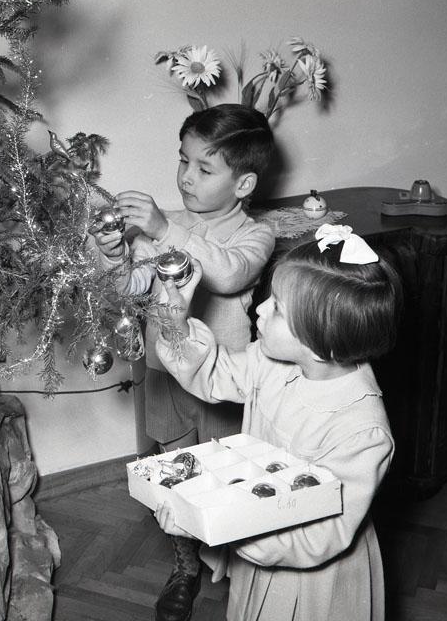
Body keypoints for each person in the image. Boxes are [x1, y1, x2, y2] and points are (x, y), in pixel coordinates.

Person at [153, 224, 403, 621]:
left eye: (278, 309)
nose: (260, 309)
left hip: (313, 577)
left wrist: (214, 524)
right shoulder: (273, 361)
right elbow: (214, 373)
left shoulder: (362, 431)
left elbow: (317, 536)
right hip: (259, 545)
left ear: (322, 343)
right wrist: (177, 324)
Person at [90, 103, 276, 621]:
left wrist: (163, 229)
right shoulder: (165, 228)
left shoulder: (255, 234)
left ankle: (244, 561)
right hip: (165, 378)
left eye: (204, 168)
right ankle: (186, 564)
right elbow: (128, 290)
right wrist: (113, 254)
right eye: (183, 160)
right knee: (178, 472)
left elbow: (228, 274)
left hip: (222, 382)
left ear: (243, 184)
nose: (187, 177)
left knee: (228, 474)